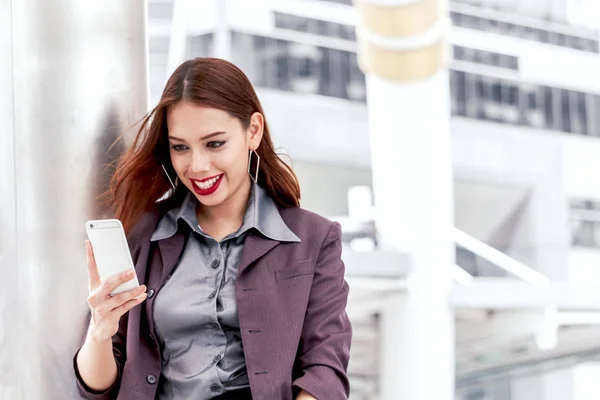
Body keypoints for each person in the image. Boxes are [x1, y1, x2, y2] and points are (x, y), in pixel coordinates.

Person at [73, 58, 352, 400]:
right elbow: (98, 389)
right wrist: (99, 330)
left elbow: (325, 370)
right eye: (180, 147)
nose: (197, 166)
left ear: (253, 131)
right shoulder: (145, 236)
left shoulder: (314, 238)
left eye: (214, 143)